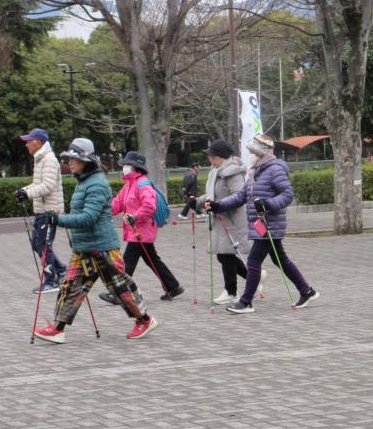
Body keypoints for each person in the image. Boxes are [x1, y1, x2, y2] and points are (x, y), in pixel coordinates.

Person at [33, 138, 157, 343]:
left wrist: (58, 220)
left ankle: (144, 320)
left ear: (86, 161)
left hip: (103, 247)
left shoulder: (97, 184)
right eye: (68, 159)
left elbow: (88, 218)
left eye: (73, 159)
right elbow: (80, 213)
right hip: (84, 247)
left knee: (120, 288)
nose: (69, 163)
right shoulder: (84, 182)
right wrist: (60, 215)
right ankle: (57, 329)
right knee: (70, 287)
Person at [207, 134, 318, 314]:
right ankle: (307, 291)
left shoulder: (275, 169)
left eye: (252, 151)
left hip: (270, 223)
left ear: (262, 153)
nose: (250, 154)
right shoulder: (254, 171)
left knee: (253, 261)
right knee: (280, 259)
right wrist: (218, 205)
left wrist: (268, 203)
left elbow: (287, 194)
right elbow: (241, 196)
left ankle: (246, 302)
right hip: (260, 224)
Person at [98, 151, 184, 304]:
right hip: (136, 230)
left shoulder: (142, 184)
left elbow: (149, 206)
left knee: (127, 262)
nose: (124, 167)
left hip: (141, 231)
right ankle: (173, 286)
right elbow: (117, 203)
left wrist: (135, 216)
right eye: (124, 164)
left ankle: (119, 293)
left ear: (136, 167)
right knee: (152, 260)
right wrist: (101, 212)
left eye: (127, 164)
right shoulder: (129, 184)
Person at [195, 139, 266, 305]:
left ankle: (231, 290)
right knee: (223, 255)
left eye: (213, 156)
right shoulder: (216, 171)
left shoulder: (232, 172)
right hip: (221, 217)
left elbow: (238, 195)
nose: (210, 160)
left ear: (222, 157)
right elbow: (214, 195)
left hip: (232, 219)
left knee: (225, 255)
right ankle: (253, 280)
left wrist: (218, 205)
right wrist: (197, 202)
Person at [14, 127, 66, 294]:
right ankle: (61, 270)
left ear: (37, 142)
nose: (26, 145)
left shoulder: (49, 159)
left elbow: (48, 185)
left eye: (28, 142)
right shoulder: (40, 158)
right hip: (43, 210)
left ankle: (51, 281)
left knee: (42, 244)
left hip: (50, 211)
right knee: (37, 242)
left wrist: (27, 194)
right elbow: (38, 183)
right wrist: (23, 190)